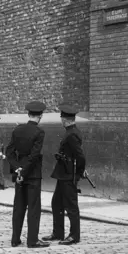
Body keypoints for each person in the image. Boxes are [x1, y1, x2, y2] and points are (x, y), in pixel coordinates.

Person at [6, 101, 49, 248]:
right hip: (32, 174)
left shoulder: (18, 130)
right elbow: (34, 156)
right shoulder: (39, 132)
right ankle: (32, 240)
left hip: (19, 174)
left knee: (19, 207)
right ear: (40, 116)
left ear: (28, 114)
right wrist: (24, 171)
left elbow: (9, 152)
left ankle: (15, 239)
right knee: (33, 207)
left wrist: (17, 168)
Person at [42, 103, 86, 246]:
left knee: (71, 206)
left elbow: (80, 157)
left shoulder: (72, 134)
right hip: (63, 174)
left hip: (69, 175)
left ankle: (74, 236)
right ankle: (58, 233)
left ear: (65, 119)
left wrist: (78, 174)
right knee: (56, 204)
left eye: (62, 118)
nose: (61, 120)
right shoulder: (71, 131)